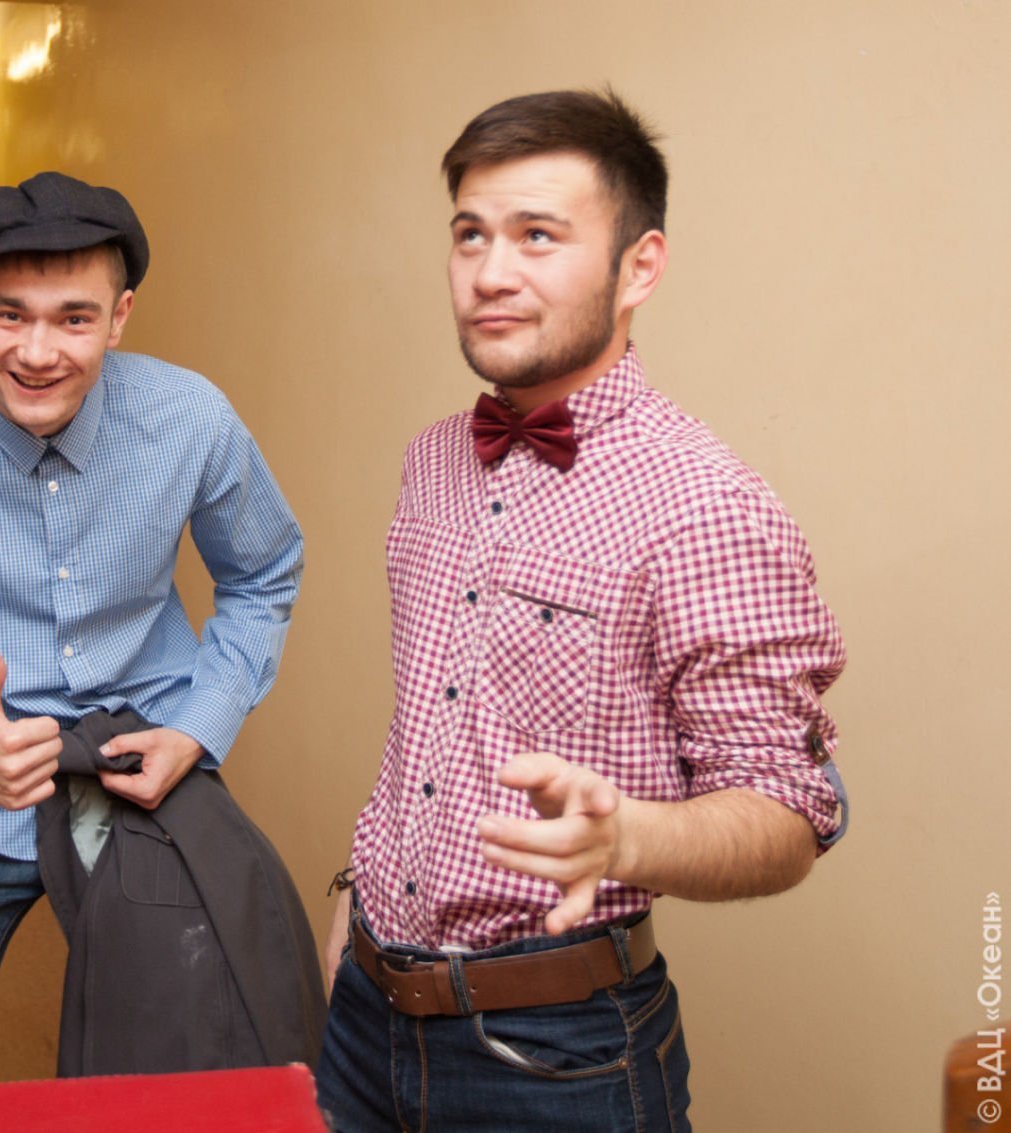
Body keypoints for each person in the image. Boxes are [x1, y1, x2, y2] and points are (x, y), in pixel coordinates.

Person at [314, 89, 848, 1132]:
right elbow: (433, 722)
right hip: (363, 1011)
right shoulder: (432, 461)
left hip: (554, 1057)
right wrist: (361, 890)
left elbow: (787, 813)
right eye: (470, 234)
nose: (489, 272)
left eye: (537, 235)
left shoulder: (709, 507)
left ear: (638, 267)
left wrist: (630, 837)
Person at [0, 171, 305, 1088]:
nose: (39, 351)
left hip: (146, 785)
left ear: (119, 317)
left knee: (193, 1077)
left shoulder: (190, 419)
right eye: (10, 314)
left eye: (74, 318)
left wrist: (198, 728)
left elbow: (263, 573)